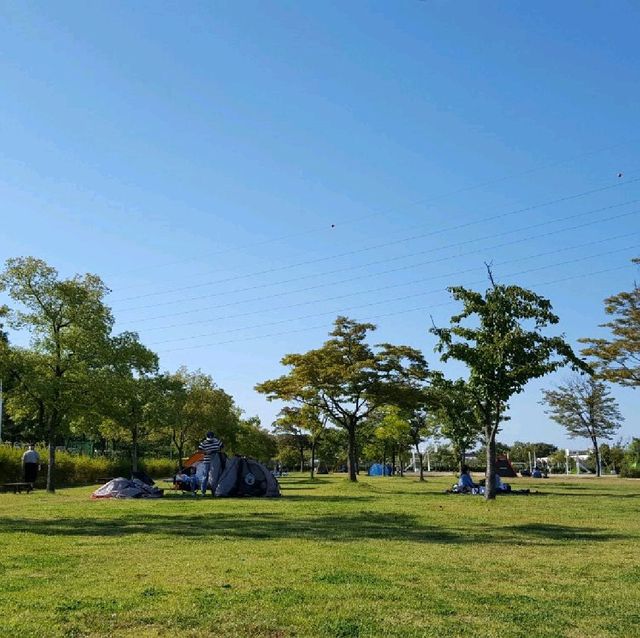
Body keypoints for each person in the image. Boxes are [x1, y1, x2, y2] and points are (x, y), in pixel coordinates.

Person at [197, 431, 224, 496]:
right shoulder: (204, 443)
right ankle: (203, 492)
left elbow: (222, 447)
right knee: (205, 476)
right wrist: (206, 452)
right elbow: (199, 450)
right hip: (207, 461)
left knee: (215, 476)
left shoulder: (217, 441)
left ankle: (214, 491)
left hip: (215, 462)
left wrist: (216, 451)